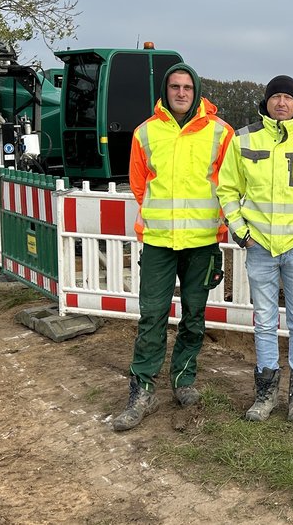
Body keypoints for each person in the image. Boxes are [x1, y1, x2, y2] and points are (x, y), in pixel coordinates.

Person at [113, 63, 234, 432]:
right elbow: (138, 184)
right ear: (165, 92)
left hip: (202, 242)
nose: (180, 93)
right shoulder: (145, 132)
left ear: (196, 91)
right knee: (151, 316)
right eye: (174, 87)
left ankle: (183, 380)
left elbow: (229, 184)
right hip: (159, 242)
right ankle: (142, 390)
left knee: (194, 316)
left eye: (186, 87)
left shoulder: (220, 132)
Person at [217, 75, 293, 423]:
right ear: (266, 102)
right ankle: (266, 393)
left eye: (288, 97)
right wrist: (240, 232)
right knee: (264, 321)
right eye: (276, 97)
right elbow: (226, 189)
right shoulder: (243, 139)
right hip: (259, 247)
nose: (282, 103)